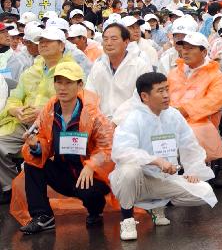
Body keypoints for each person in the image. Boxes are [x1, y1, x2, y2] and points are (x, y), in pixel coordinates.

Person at [111, 72, 217, 241]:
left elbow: (189, 145)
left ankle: (156, 206)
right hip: (139, 180)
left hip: (164, 179)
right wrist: (155, 160)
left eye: (167, 89)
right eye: (160, 91)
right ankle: (127, 218)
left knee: (203, 192)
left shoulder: (173, 116)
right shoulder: (133, 119)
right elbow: (121, 151)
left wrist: (192, 171)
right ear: (145, 96)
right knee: (128, 171)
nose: (166, 95)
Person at [18, 62, 114, 234]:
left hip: (91, 175)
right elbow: (45, 141)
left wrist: (91, 166)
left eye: (69, 83)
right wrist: (36, 146)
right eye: (59, 82)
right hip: (64, 171)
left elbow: (107, 147)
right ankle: (43, 216)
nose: (62, 88)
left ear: (80, 85)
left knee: (91, 193)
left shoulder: (92, 114)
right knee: (32, 164)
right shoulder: (49, 110)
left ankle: (95, 211)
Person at [0, 28, 75, 203]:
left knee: (39, 152)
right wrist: (15, 110)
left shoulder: (71, 70)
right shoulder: (32, 70)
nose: (43, 44)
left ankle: (32, 192)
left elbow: (76, 102)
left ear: (62, 45)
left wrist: (43, 113)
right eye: (41, 40)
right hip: (23, 122)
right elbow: (15, 97)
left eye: (49, 41)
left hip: (53, 125)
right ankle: (11, 188)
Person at [168, 32, 222, 161]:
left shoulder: (215, 76)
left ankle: (193, 175)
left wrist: (184, 110)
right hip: (169, 119)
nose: (185, 52)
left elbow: (213, 101)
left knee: (189, 134)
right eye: (184, 48)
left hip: (201, 122)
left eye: (191, 48)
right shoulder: (174, 73)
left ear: (204, 52)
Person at [86, 23, 152, 125]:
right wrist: (98, 120)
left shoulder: (140, 66)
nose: (108, 43)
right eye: (105, 39)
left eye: (114, 39)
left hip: (131, 124)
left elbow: (140, 98)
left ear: (126, 42)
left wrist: (116, 122)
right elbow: (90, 95)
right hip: (101, 125)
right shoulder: (98, 65)